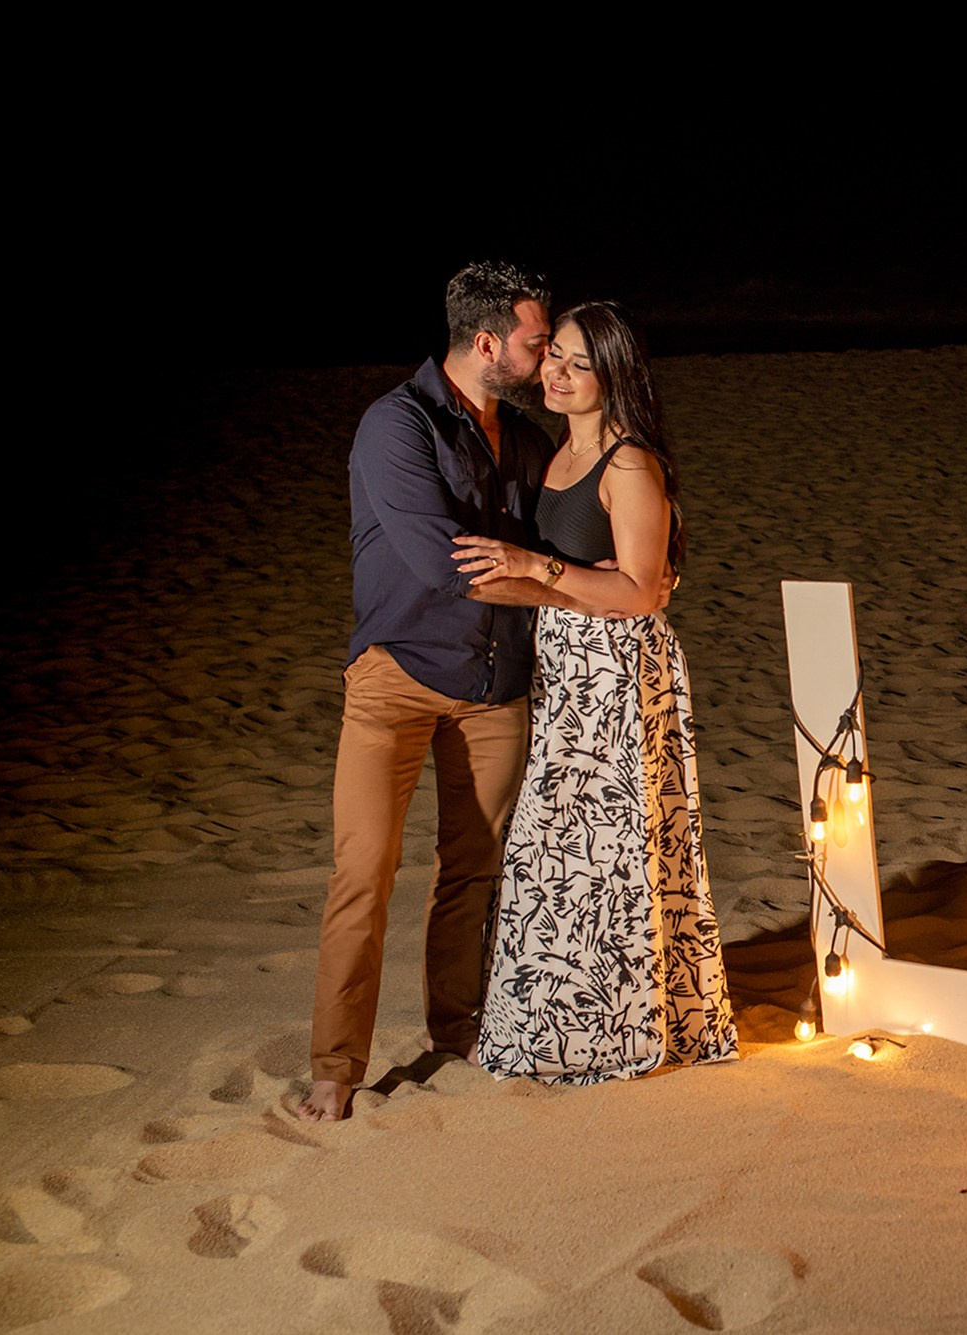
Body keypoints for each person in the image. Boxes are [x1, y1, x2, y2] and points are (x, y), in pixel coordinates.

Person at [299, 261, 602, 1123]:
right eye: (537, 341)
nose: (546, 357)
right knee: (364, 868)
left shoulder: (528, 439)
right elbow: (447, 566)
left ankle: (457, 1029)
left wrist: (571, 570)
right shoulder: (394, 427)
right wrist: (570, 582)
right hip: (395, 674)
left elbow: (562, 537)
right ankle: (335, 1063)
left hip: (495, 681)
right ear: (486, 343)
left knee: (473, 871)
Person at [451, 301, 738, 1083]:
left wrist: (535, 568)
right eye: (555, 358)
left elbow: (644, 591)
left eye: (581, 363)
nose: (559, 373)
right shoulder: (553, 456)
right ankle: (551, 1023)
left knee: (609, 852)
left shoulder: (630, 464)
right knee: (554, 850)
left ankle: (619, 1031)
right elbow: (569, 578)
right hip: (565, 667)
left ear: (615, 377)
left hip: (617, 674)